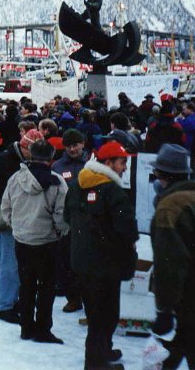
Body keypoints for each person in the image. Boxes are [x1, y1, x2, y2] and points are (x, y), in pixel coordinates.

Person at [65, 140, 138, 369]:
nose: (125, 167)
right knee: (104, 315)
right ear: (108, 163)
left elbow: (67, 217)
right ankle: (95, 362)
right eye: (122, 162)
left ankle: (102, 351)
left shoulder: (78, 184)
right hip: (106, 264)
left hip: (82, 261)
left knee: (98, 313)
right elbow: (126, 228)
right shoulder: (113, 191)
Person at [2, 139, 68, 344]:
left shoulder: (16, 178)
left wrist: (18, 226)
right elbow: (61, 213)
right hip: (47, 241)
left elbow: (6, 207)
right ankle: (43, 330)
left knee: (26, 284)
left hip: (22, 239)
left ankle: (26, 327)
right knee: (47, 287)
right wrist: (59, 232)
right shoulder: (56, 181)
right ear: (51, 157)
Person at [148, 144, 195, 369]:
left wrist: (164, 309)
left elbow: (169, 265)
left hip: (188, 295)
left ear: (161, 175)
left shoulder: (169, 207)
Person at [50, 128, 88, 314]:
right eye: (69, 146)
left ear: (82, 144)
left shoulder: (91, 163)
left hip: (88, 220)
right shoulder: (57, 166)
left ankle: (88, 297)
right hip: (66, 220)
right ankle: (73, 297)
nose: (72, 149)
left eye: (76, 145)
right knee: (65, 261)